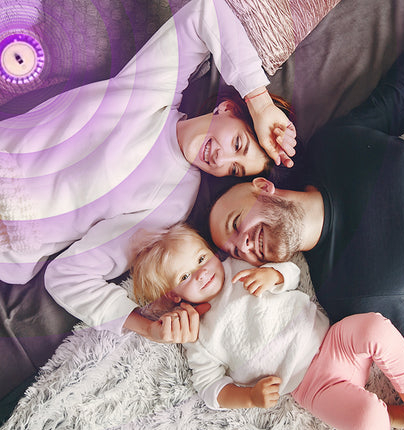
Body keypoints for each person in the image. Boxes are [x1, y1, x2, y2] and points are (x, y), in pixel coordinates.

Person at [208, 1, 404, 428]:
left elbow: (403, 94)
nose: (243, 245)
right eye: (236, 252)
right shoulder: (346, 296)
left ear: (262, 187)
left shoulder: (332, 148)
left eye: (234, 224)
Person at [0, 0, 296, 344]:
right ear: (227, 109)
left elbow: (68, 276)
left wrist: (146, 327)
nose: (221, 159)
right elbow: (207, 11)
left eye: (233, 168)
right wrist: (260, 103)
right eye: (238, 144)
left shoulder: (172, 203)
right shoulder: (152, 90)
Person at [131, 223, 404, 430]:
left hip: (333, 340)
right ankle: (389, 416)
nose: (202, 272)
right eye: (185, 276)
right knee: (364, 418)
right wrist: (249, 398)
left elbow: (293, 273)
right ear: (173, 295)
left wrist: (273, 274)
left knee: (375, 327)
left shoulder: (239, 265)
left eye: (201, 258)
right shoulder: (196, 334)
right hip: (311, 386)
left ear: (210, 251)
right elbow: (209, 388)